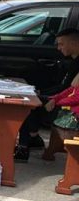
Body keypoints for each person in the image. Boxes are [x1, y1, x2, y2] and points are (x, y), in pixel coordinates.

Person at [16, 28, 79, 161]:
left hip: (71, 110)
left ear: (74, 43)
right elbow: (65, 87)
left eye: (61, 44)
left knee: (27, 105)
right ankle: (32, 139)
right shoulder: (73, 62)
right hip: (63, 100)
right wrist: (43, 94)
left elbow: (72, 93)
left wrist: (54, 100)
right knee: (30, 98)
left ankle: (25, 146)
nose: (58, 48)